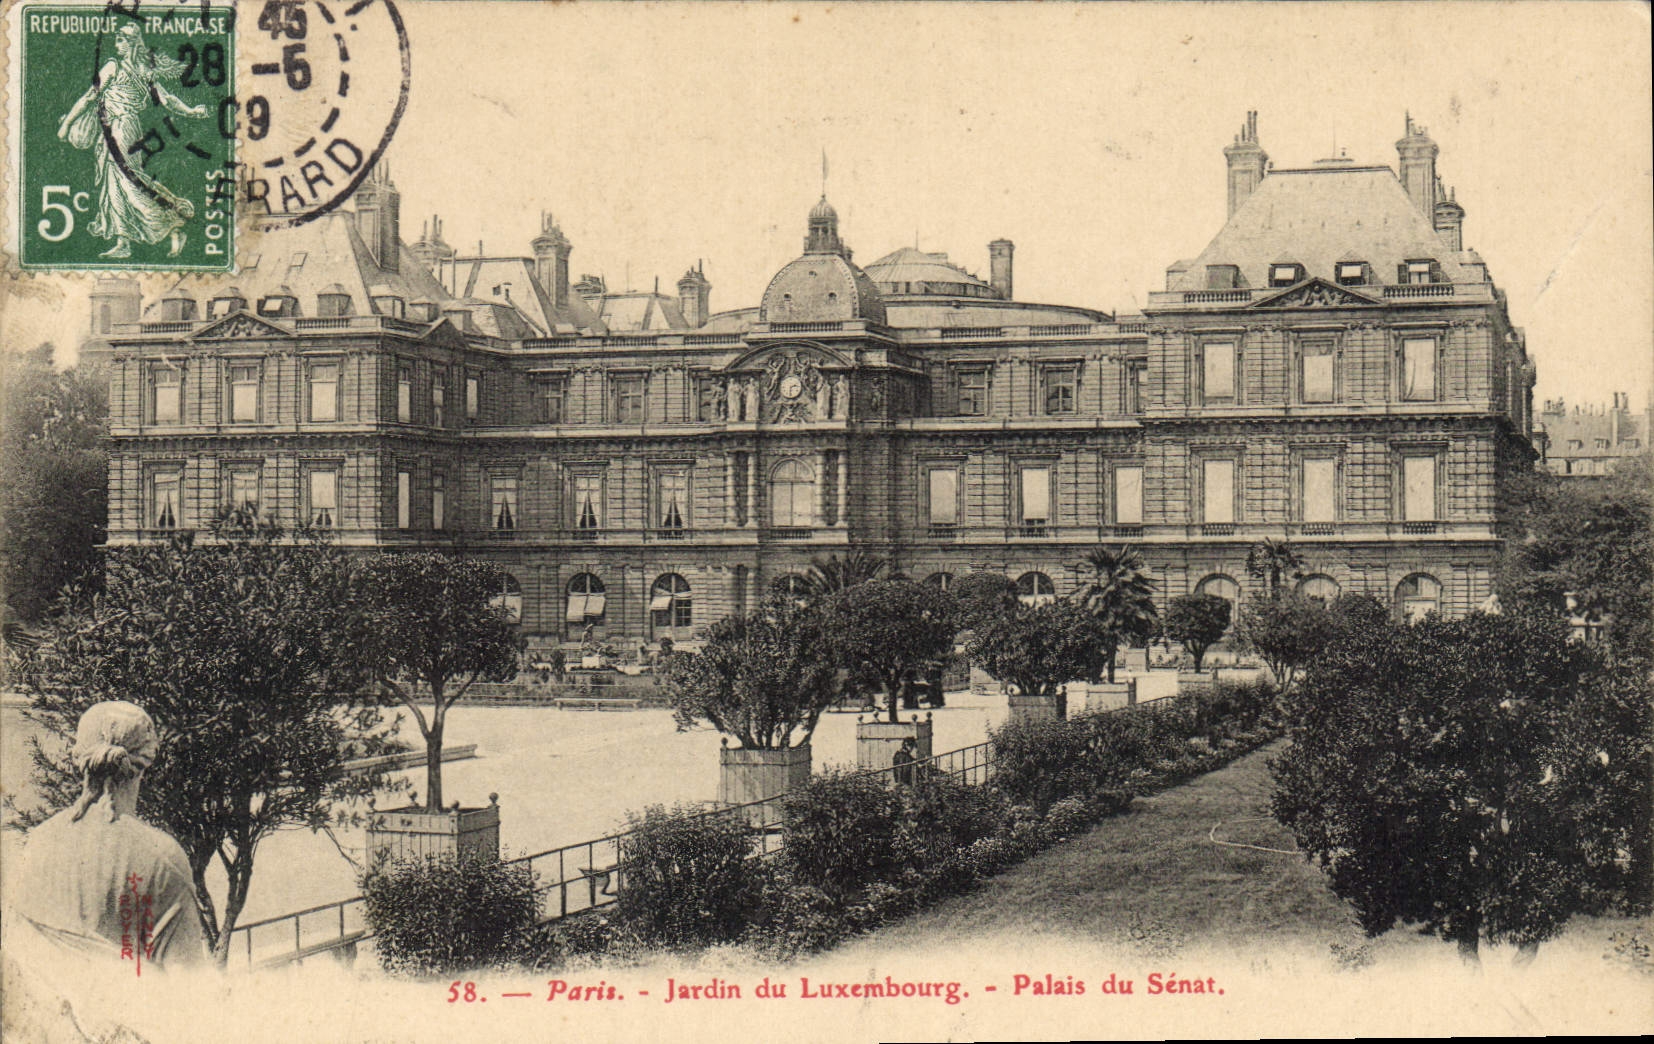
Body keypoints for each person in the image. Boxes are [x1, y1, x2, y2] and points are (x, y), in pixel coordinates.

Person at [11, 701, 207, 971]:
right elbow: (188, 981)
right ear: (146, 761)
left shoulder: (38, 841)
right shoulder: (163, 858)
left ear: (78, 757)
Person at [56, 23, 207, 258]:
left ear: (131, 44)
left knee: (126, 181)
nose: (117, 45)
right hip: (122, 129)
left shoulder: (113, 66)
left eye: (121, 40)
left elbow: (89, 96)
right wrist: (191, 111)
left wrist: (66, 125)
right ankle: (124, 241)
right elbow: (168, 100)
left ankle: (172, 223)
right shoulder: (144, 71)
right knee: (117, 181)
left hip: (120, 129)